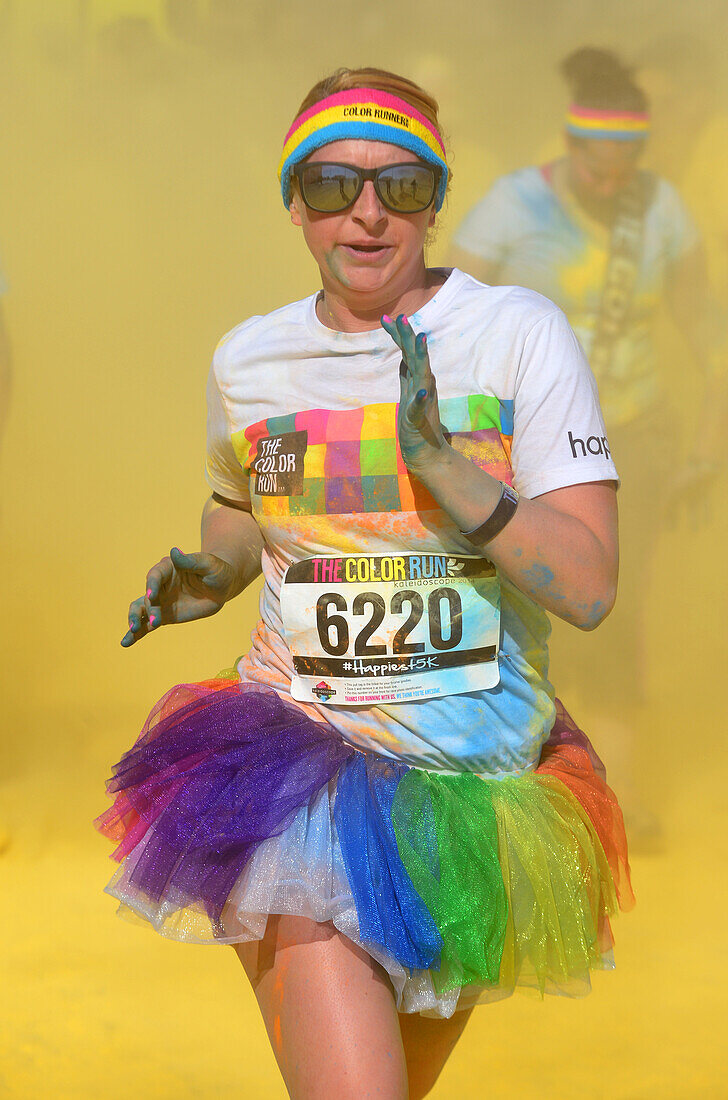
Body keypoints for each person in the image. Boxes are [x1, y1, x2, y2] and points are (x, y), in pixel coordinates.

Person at [96, 68, 633, 1100]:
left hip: (476, 808)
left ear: (437, 197)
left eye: (402, 184)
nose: (368, 213)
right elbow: (247, 509)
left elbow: (589, 584)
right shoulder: (249, 359)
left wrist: (443, 467)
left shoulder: (516, 334)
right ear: (294, 202)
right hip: (297, 777)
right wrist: (213, 569)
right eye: (334, 184)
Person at [449, 48, 725, 838]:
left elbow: (710, 336)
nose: (610, 182)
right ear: (569, 147)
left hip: (628, 432)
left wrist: (707, 449)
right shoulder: (510, 208)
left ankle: (615, 792)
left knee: (610, 601)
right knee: (497, 600)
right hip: (511, 441)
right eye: (595, 164)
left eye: (624, 164)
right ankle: (505, 776)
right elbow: (444, 317)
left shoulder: (662, 212)